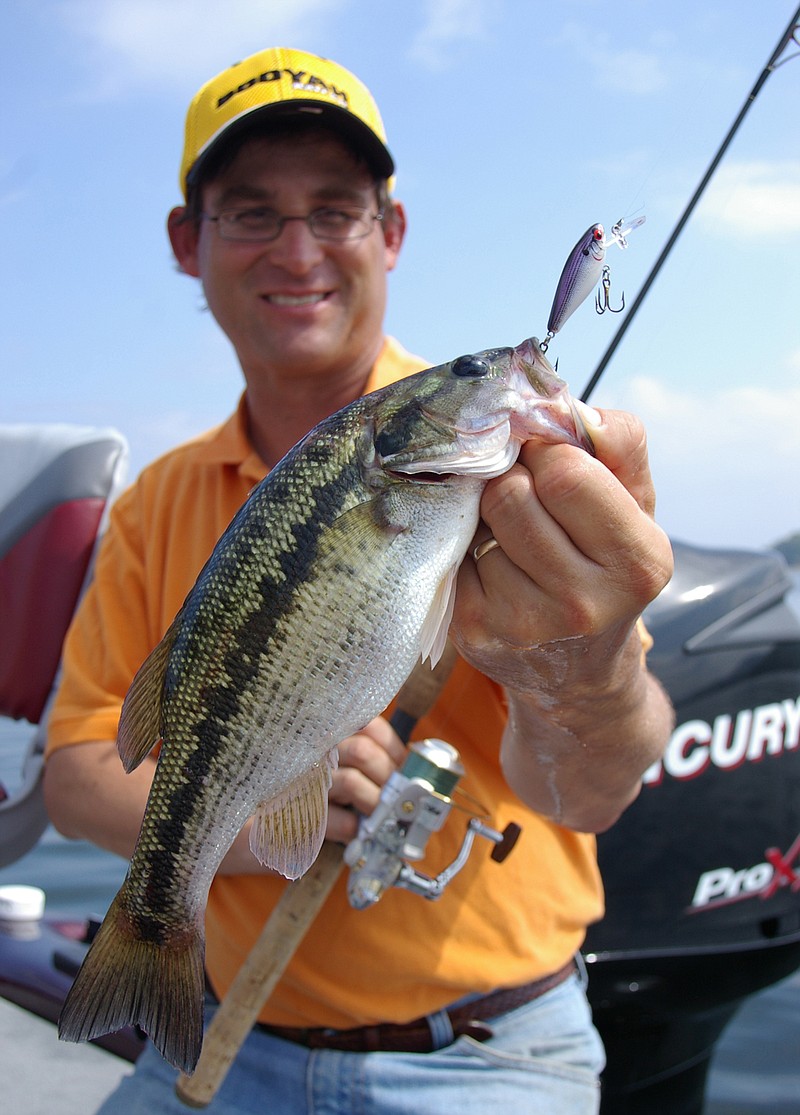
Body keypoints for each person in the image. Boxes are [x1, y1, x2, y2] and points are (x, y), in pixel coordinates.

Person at [43, 47, 674, 1115]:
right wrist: (263, 814)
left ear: (389, 233)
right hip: (219, 1040)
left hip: (485, 1051)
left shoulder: (516, 479)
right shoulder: (154, 500)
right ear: (186, 243)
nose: (298, 250)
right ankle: (156, 931)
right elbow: (74, 766)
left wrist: (586, 661)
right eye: (252, 213)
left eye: (335, 210)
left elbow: (590, 792)